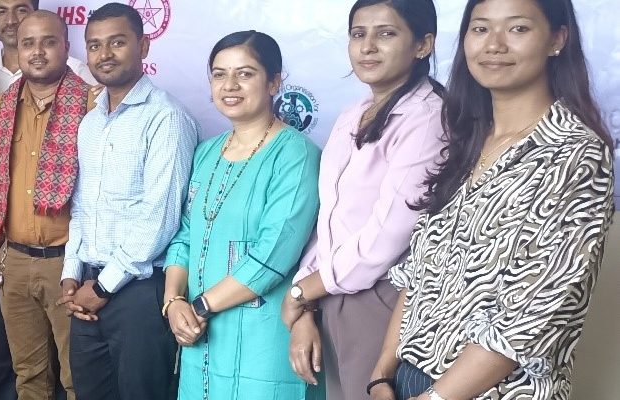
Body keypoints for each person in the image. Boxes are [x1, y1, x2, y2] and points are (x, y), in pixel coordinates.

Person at [374, 0, 614, 398]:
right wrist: (382, 374)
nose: (494, 45)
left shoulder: (576, 154)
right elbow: (419, 274)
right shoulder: (466, 143)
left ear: (557, 39)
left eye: (518, 29)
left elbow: (532, 311)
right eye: (480, 28)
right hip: (408, 379)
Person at [280, 1, 446, 399]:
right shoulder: (352, 115)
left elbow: (385, 239)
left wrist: (303, 292)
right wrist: (307, 294)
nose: (368, 46)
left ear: (423, 44)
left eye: (386, 33)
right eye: (358, 34)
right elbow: (330, 220)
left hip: (383, 299)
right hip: (334, 293)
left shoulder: (427, 117)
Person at [162, 30, 321, 400]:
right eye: (219, 74)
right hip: (198, 339)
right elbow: (184, 235)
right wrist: (173, 302)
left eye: (245, 73)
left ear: (274, 82)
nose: (229, 85)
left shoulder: (295, 155)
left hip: (262, 337)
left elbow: (273, 254)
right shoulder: (206, 152)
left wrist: (199, 306)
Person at [0, 10, 88, 400]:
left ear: (66, 46)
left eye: (48, 42)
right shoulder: (3, 105)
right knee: (28, 376)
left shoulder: (92, 105)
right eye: (28, 43)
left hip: (70, 263)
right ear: (17, 48)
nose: (37, 51)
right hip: (17, 261)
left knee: (77, 376)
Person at [58, 3, 198, 400]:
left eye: (117, 43)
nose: (104, 55)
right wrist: (72, 273)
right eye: (95, 45)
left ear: (144, 46)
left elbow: (160, 216)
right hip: (89, 287)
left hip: (139, 292)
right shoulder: (91, 123)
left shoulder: (166, 118)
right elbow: (82, 206)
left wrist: (102, 288)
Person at [0, 0, 95, 94]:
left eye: (21, 10)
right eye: (1, 12)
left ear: (36, 15)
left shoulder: (76, 70)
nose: (10, 21)